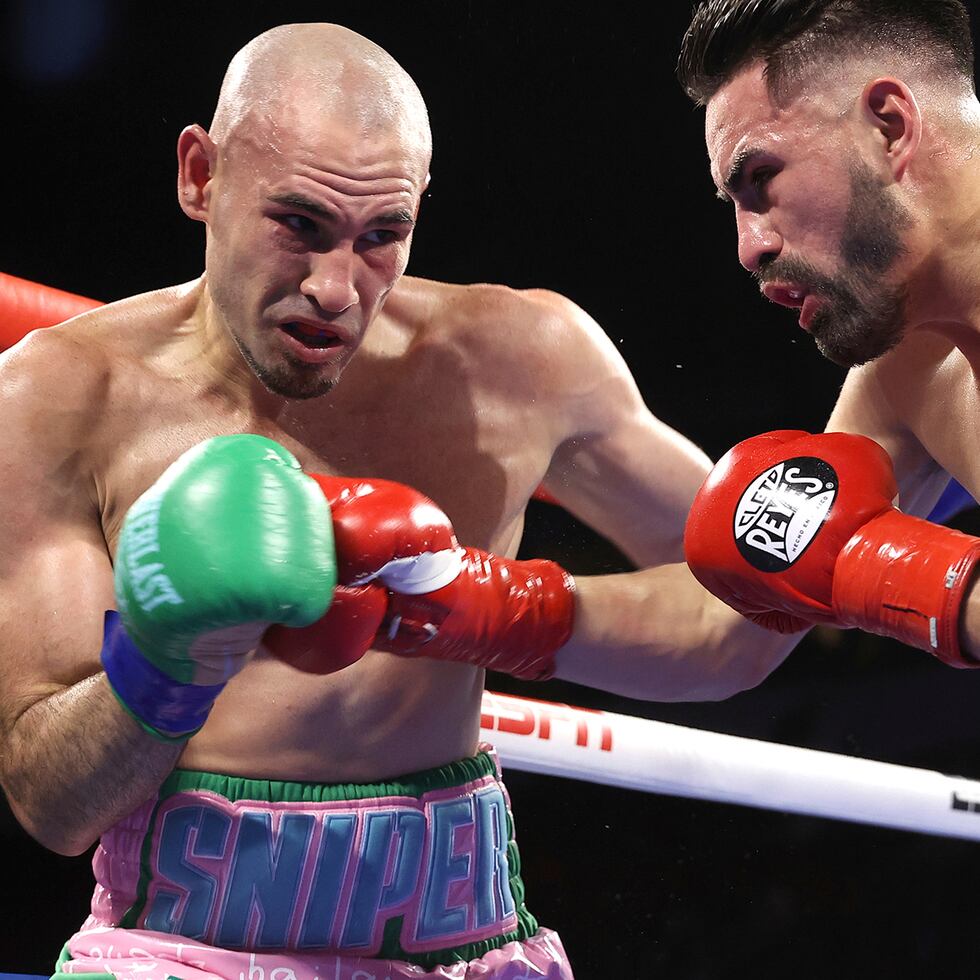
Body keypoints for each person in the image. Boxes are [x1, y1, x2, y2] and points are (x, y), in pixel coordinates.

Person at [0, 22, 800, 980]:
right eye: (298, 224)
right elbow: (52, 804)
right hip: (177, 948)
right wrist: (174, 661)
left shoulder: (518, 362)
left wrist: (494, 609)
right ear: (200, 176)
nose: (337, 288)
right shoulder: (57, 399)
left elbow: (759, 594)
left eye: (383, 236)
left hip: (465, 942)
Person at [676, 1, 980, 662]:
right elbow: (729, 636)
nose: (748, 249)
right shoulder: (909, 377)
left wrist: (913, 579)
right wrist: (506, 607)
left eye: (761, 179)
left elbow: (869, 570)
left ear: (890, 128)